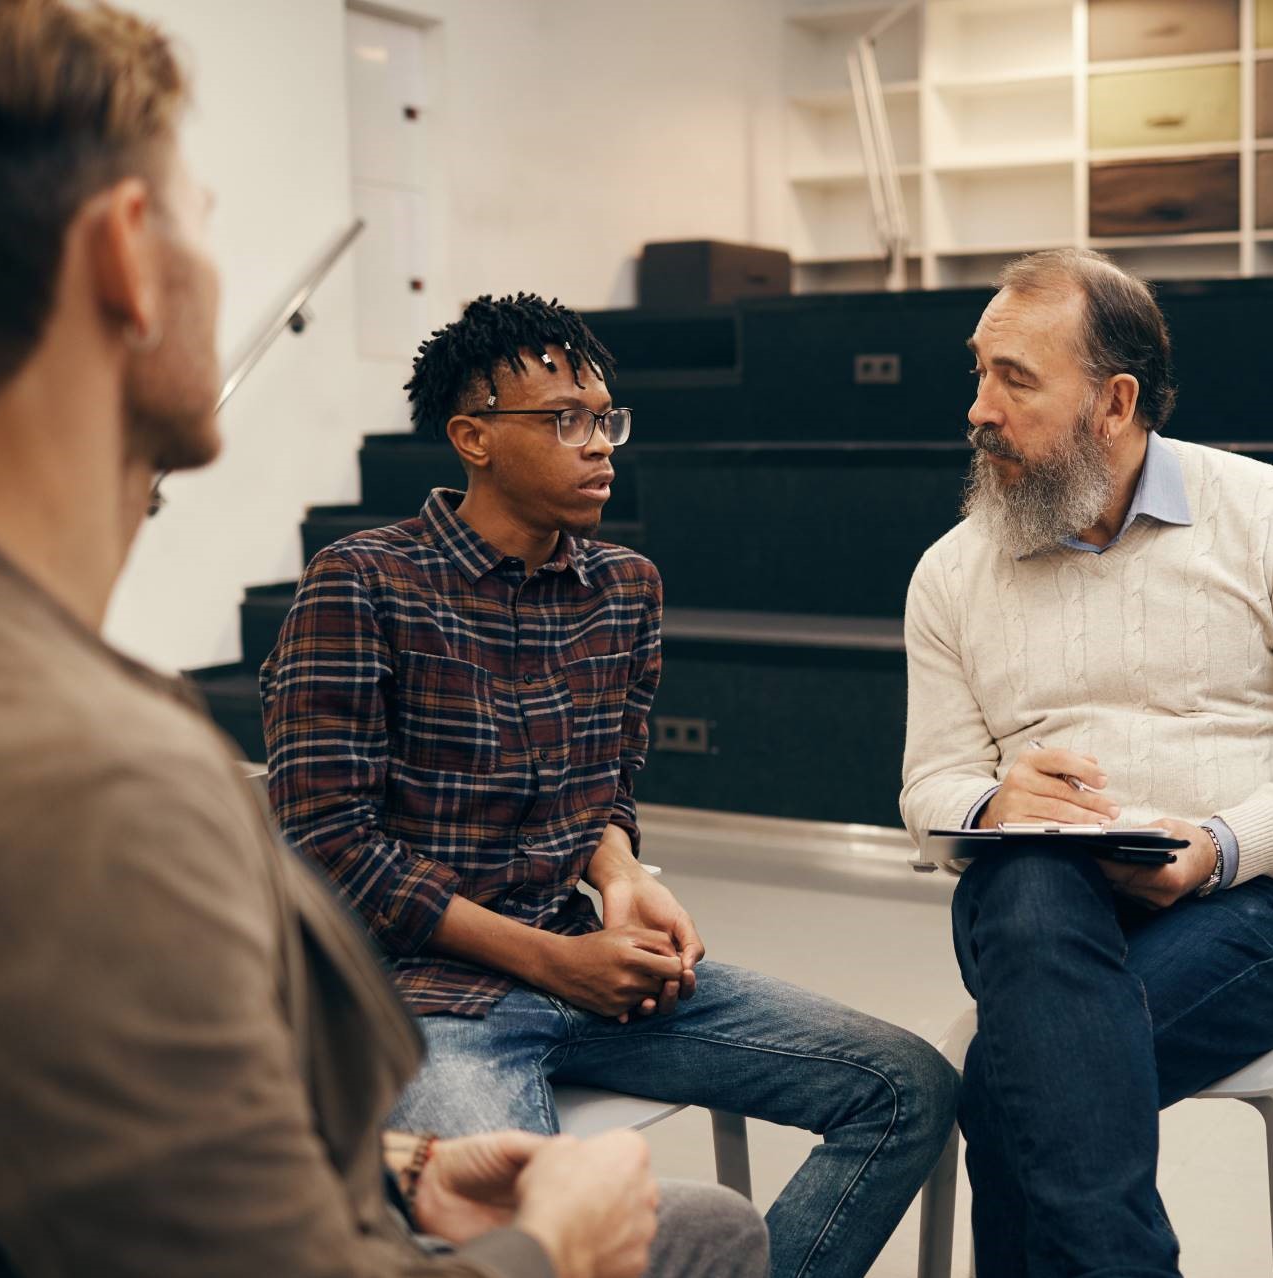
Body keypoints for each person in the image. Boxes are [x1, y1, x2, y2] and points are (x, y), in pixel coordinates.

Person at [0, 3, 768, 1276]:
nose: (591, 444)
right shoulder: (111, 783)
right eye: (203, 213)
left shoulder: (90, 723)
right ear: (129, 255)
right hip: (445, 1043)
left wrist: (399, 1164)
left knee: (722, 1225)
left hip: (384, 1157)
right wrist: (551, 1248)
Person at [261, 291, 960, 1278]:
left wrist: (624, 875)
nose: (601, 446)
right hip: (424, 1000)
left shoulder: (625, 586)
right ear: (473, 438)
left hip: (588, 972)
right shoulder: (362, 582)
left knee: (910, 1086)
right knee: (537, 1244)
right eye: (565, 422)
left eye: (605, 418)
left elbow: (604, 788)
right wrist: (550, 960)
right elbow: (329, 845)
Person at [900, 247, 1273, 1277]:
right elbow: (928, 788)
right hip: (1050, 906)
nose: (979, 407)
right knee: (1023, 883)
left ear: (1113, 402)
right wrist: (990, 799)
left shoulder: (1260, 518)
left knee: (1017, 1089)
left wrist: (1220, 846)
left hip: (1252, 898)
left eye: (1014, 379)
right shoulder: (952, 570)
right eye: (978, 371)